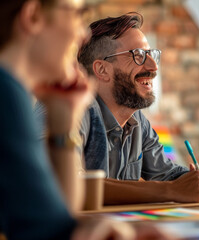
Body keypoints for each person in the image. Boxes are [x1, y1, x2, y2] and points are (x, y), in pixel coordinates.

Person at [0, 0, 172, 239]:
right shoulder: (6, 98)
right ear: (33, 17)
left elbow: (46, 224)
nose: (83, 35)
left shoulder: (13, 94)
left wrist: (64, 118)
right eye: (77, 14)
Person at [75, 13, 199, 204]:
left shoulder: (136, 121)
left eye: (151, 54)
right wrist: (170, 190)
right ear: (102, 70)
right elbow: (69, 183)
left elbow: (169, 175)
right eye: (138, 55)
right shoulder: (73, 110)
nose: (153, 66)